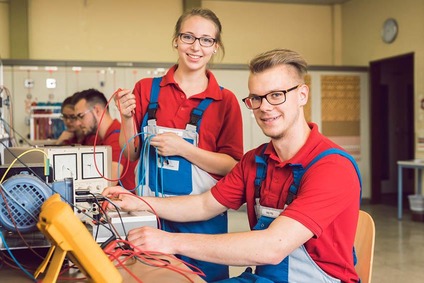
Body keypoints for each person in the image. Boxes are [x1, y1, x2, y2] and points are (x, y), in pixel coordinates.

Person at [103, 48, 362, 283]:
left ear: (302, 95)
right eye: (256, 98)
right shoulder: (255, 161)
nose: (265, 108)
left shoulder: (332, 166)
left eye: (276, 95)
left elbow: (273, 247)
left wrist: (170, 241)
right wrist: (139, 202)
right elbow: (205, 204)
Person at [112, 8, 243, 282]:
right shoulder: (147, 89)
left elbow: (231, 165)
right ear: (176, 40)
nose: (196, 47)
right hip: (149, 215)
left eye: (206, 40)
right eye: (188, 37)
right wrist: (126, 118)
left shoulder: (225, 100)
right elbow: (132, 152)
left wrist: (184, 149)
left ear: (215, 47)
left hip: (202, 224)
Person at [73, 88, 137, 190]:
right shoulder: (99, 138)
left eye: (81, 116)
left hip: (126, 203)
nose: (77, 123)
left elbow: (109, 182)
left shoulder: (117, 137)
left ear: (97, 110)